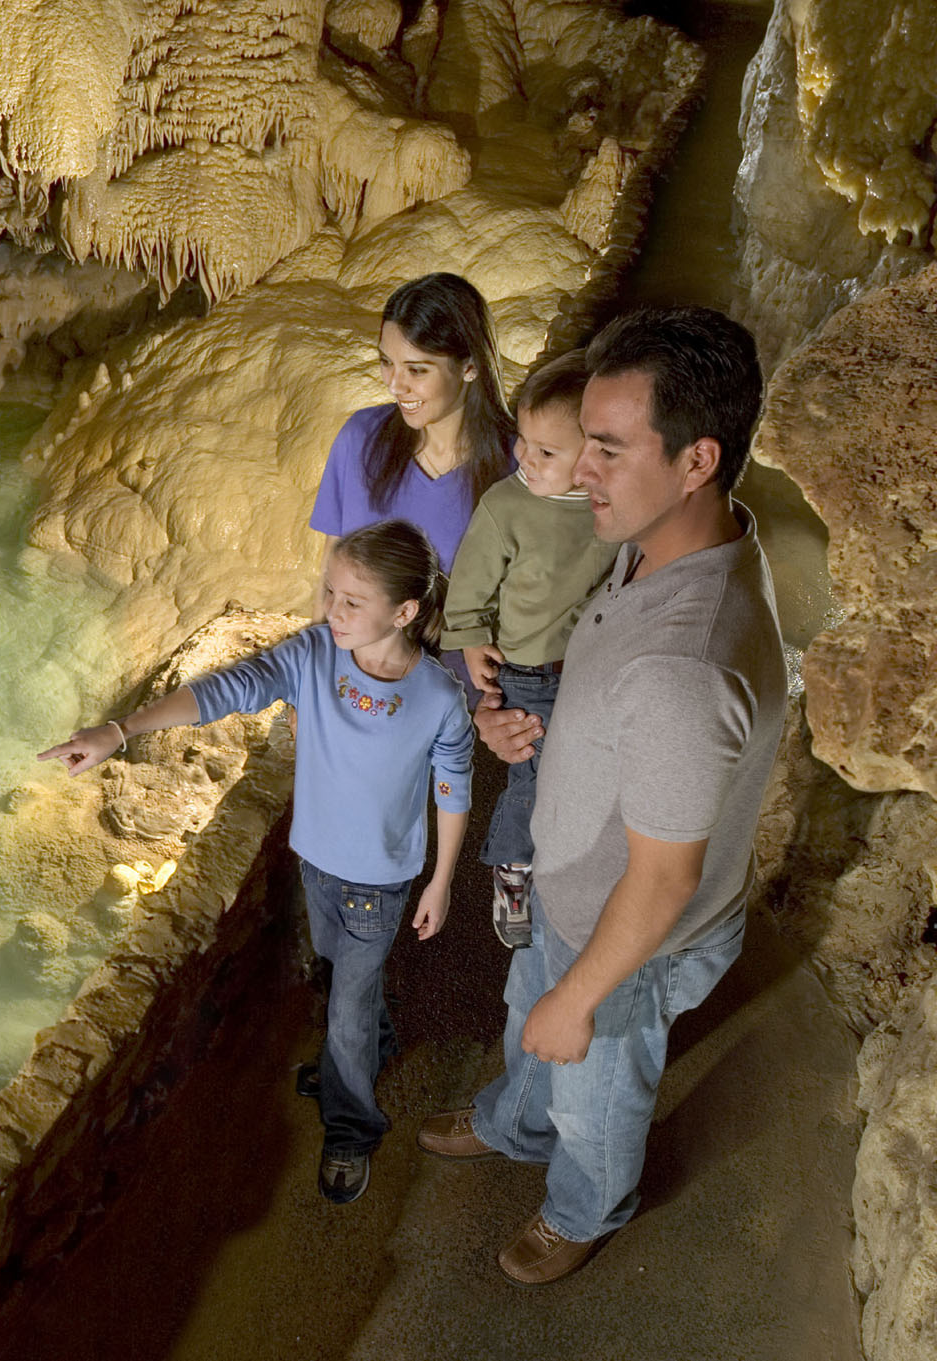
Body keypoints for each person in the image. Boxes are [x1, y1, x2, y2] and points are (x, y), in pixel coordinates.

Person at [417, 307, 784, 1287]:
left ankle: (585, 1202)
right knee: (529, 1019)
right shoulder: (659, 538)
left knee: (596, 1092)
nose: (582, 471)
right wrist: (513, 723)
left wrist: (584, 997)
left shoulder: (684, 664)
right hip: (573, 883)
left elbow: (662, 881)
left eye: (609, 450)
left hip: (632, 944)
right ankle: (512, 1120)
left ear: (697, 459)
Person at [41, 520, 471, 1207]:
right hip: (319, 864)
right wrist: (122, 730)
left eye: (352, 600)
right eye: (330, 591)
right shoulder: (312, 654)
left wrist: (443, 879)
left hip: (382, 881)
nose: (331, 609)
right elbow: (229, 687)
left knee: (348, 1010)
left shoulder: (439, 699)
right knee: (337, 979)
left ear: (405, 611)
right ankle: (358, 1057)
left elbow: (453, 784)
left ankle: (351, 1125)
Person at [438, 351, 619, 949]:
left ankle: (573, 864)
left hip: (591, 668)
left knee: (587, 776)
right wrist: (468, 646)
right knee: (536, 779)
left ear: (592, 455)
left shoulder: (609, 510)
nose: (525, 458)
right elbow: (468, 588)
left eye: (547, 452)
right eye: (523, 441)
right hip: (529, 674)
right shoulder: (506, 506)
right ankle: (512, 867)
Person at [311, 273, 516, 573]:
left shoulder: (522, 464)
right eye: (386, 362)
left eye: (416, 370)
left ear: (470, 366)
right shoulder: (359, 438)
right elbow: (329, 581)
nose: (395, 385)